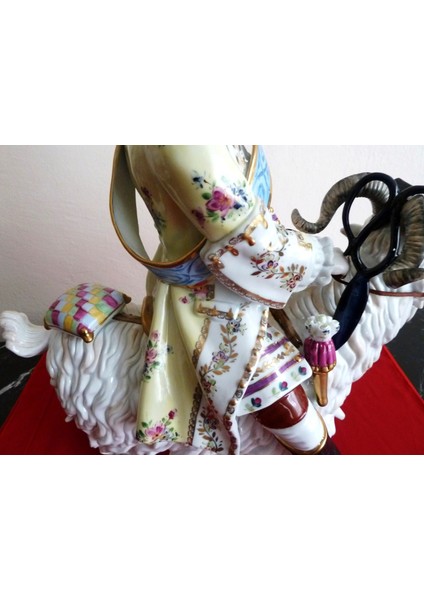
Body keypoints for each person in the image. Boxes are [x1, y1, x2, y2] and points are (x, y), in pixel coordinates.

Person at [110, 145, 347, 454]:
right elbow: (247, 235)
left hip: (233, 276)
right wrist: (319, 258)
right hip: (211, 296)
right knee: (282, 396)